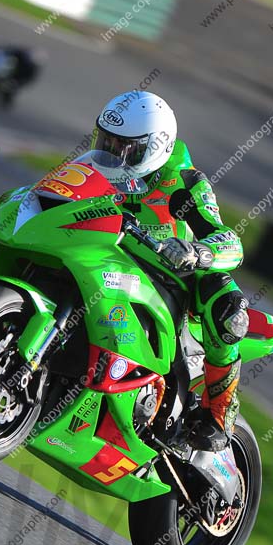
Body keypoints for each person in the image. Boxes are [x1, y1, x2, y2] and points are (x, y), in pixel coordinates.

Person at [93, 91, 249, 451]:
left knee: (224, 299)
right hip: (111, 265)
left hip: (173, 284)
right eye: (106, 143)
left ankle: (220, 412)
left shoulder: (184, 183)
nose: (113, 156)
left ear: (155, 147)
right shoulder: (99, 171)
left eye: (125, 149)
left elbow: (231, 242)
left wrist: (199, 252)